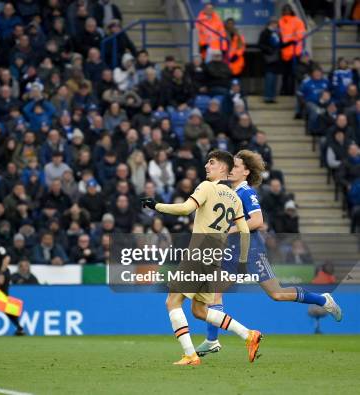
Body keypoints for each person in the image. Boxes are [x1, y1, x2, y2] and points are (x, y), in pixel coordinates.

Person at [195, 150, 342, 356]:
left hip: (252, 251)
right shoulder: (231, 192)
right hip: (233, 251)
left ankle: (323, 300)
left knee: (277, 294)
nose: (231, 169)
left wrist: (229, 229)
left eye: (236, 166)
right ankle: (212, 340)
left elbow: (257, 221)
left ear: (246, 172)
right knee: (213, 292)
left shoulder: (247, 193)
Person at [140, 150, 259, 366]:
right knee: (199, 310)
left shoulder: (207, 187)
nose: (206, 165)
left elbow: (186, 209)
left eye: (211, 162)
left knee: (172, 302)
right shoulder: (235, 198)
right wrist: (242, 262)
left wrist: (156, 206)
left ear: (223, 168)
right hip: (215, 257)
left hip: (199, 252)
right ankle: (249, 335)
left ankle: (190, 355)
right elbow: (245, 231)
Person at [279, 5, 305, 95]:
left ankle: (291, 92)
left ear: (291, 11)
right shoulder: (280, 21)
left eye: (288, 10)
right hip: (284, 52)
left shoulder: (297, 21)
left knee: (293, 74)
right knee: (285, 74)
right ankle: (284, 91)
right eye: (284, 10)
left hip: (294, 52)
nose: (286, 11)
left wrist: (289, 41)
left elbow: (300, 35)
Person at [258, 17, 281, 103]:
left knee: (274, 78)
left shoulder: (277, 33)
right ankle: (267, 96)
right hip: (268, 58)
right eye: (273, 23)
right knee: (269, 77)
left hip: (276, 58)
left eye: (276, 23)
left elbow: (280, 44)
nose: (275, 25)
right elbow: (260, 44)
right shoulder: (265, 32)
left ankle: (273, 96)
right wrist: (269, 50)